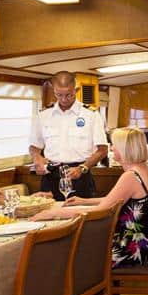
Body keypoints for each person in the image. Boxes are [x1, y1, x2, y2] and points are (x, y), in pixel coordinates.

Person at [32, 127, 148, 268]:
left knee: (65, 253)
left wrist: (53, 213)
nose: (112, 148)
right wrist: (85, 201)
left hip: (129, 251)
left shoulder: (131, 176)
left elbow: (100, 211)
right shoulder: (146, 171)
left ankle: (88, 289)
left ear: (125, 148)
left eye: (114, 145)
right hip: (144, 247)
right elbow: (117, 199)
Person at [29, 71, 108, 200]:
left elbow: (103, 149)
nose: (64, 99)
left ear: (76, 90)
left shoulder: (91, 115)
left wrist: (83, 167)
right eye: (59, 95)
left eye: (69, 95)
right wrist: (37, 158)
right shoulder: (43, 115)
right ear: (53, 91)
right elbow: (34, 146)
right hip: (50, 177)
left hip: (79, 176)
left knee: (80, 217)